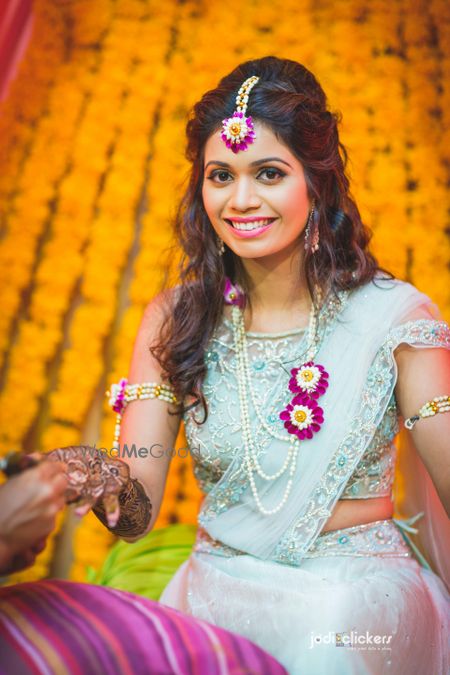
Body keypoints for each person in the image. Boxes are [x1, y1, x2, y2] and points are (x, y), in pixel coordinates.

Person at [23, 56, 450, 673]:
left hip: (350, 595)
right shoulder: (177, 317)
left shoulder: (392, 317)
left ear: (318, 184)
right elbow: (136, 511)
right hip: (214, 592)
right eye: (220, 175)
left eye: (269, 173)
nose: (241, 199)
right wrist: (83, 469)